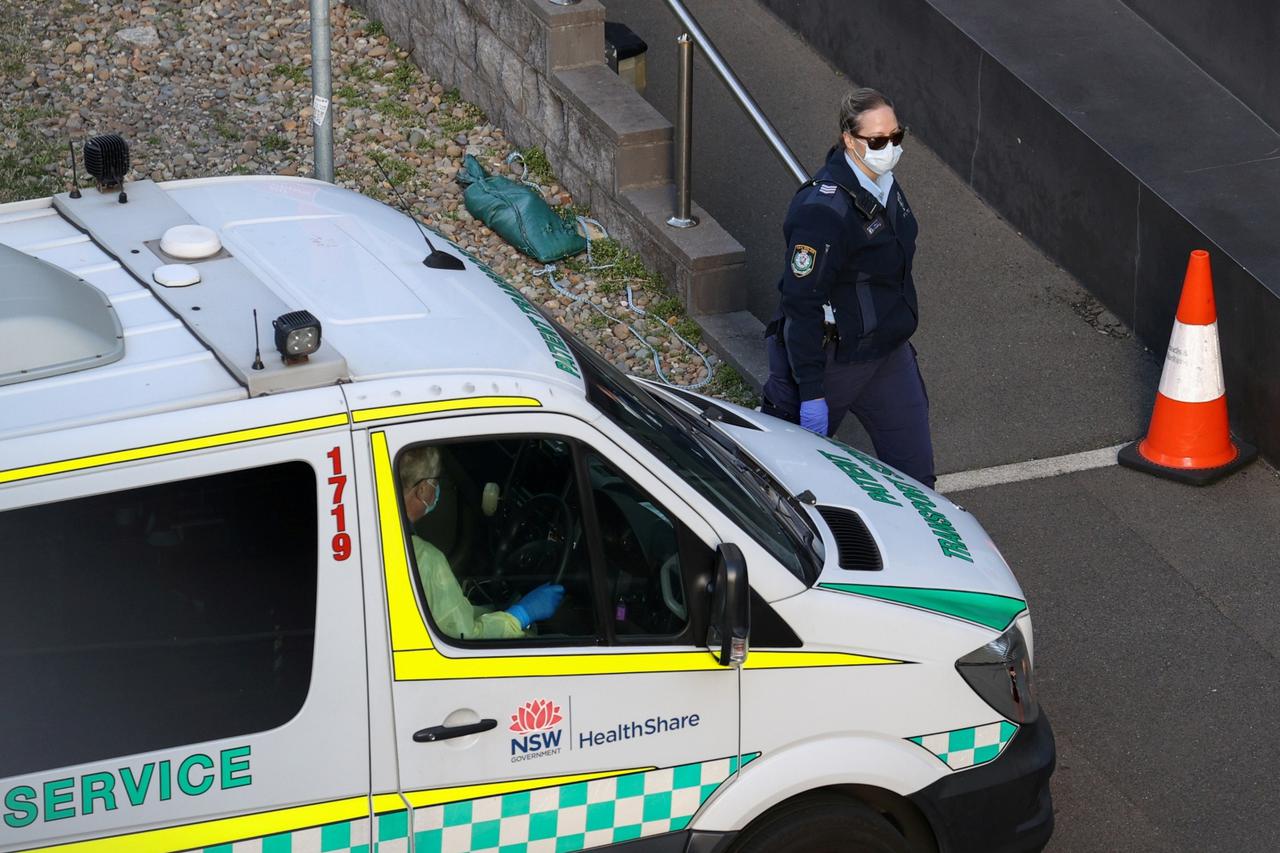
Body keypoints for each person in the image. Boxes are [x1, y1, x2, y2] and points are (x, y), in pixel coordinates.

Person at [762, 87, 936, 488]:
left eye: (896, 136)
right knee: (783, 484)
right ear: (848, 140)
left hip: (885, 354)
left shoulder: (884, 184)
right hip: (831, 361)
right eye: (877, 140)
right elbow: (799, 303)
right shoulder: (823, 212)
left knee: (919, 481)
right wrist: (810, 391)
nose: (889, 147)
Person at [399, 445, 564, 639]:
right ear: (423, 489)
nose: (437, 489)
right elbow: (465, 639)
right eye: (436, 482)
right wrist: (521, 615)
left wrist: (498, 611)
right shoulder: (426, 561)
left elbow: (451, 615)